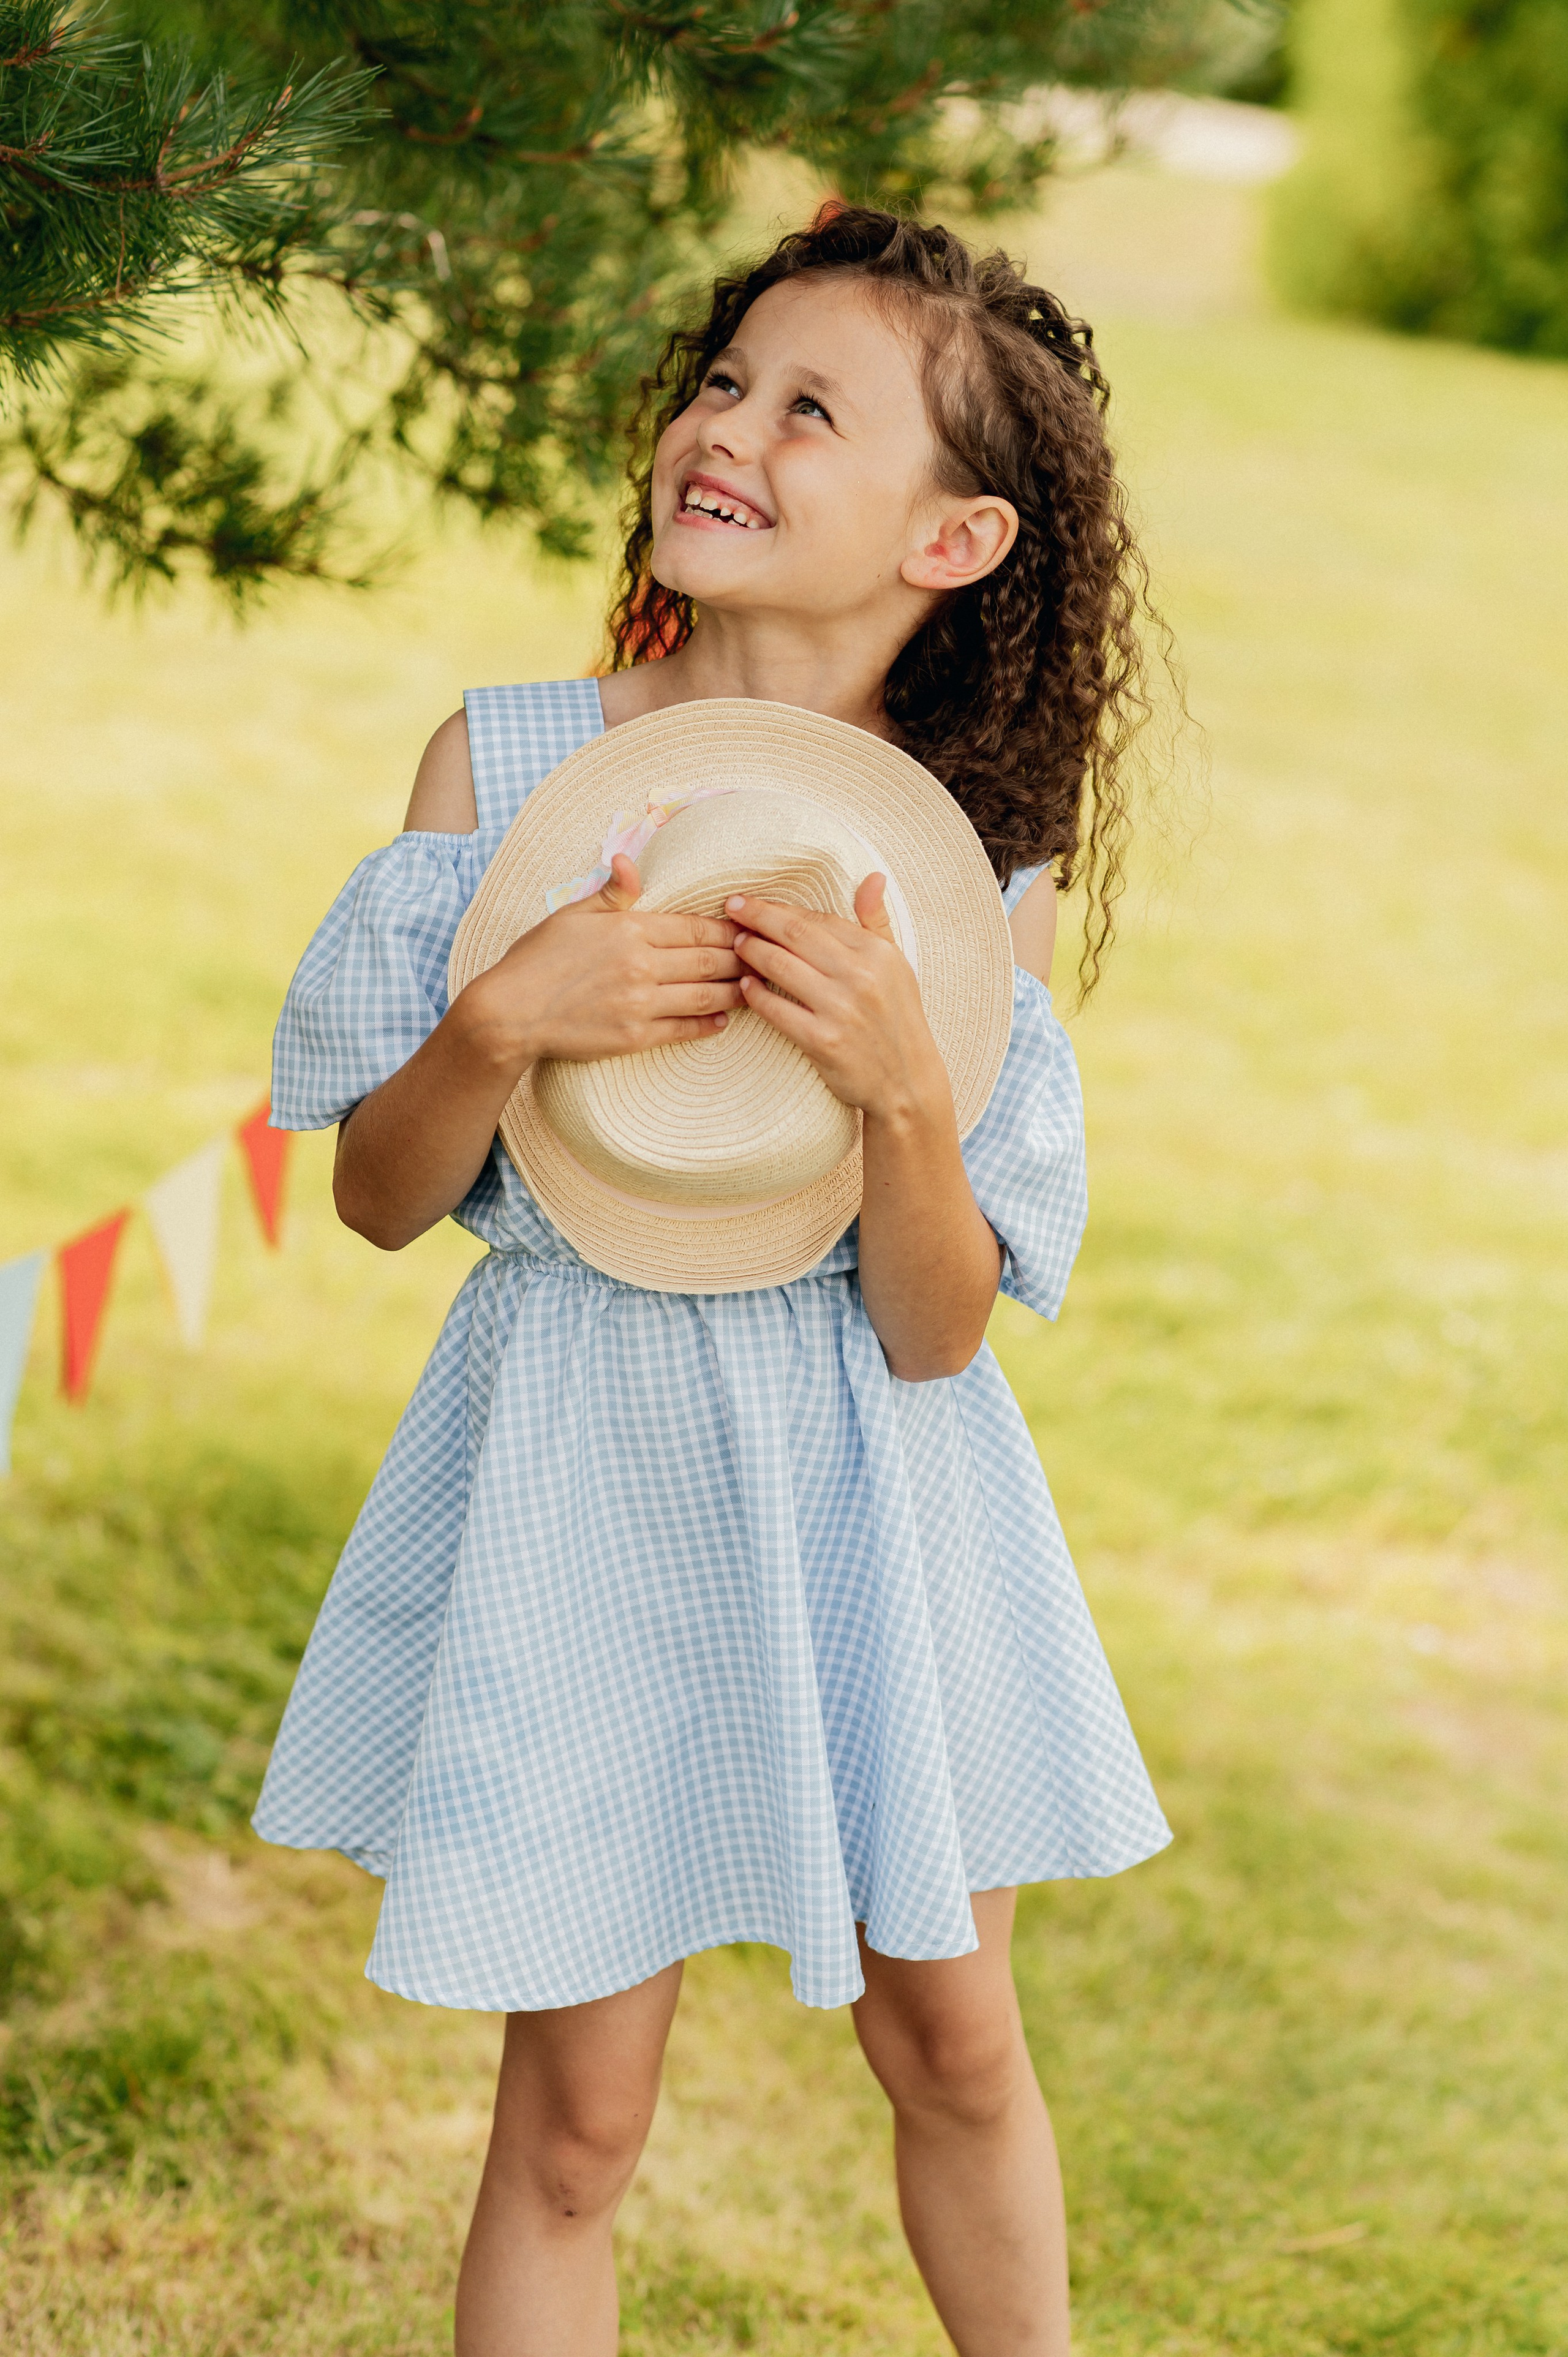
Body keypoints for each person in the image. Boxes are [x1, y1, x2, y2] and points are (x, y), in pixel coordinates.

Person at [254, 205, 1174, 2357]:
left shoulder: (972, 862)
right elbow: (386, 1203)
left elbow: (932, 1327)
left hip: (879, 1482)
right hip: (579, 1469)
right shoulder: (500, 770)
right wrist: (503, 1016)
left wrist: (901, 1100)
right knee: (575, 2127)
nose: (727, 427)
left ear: (951, 542)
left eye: (810, 409)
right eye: (727, 378)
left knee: (953, 2039)